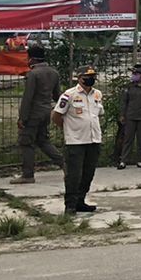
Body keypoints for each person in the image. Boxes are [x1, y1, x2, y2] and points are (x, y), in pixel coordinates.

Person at [52, 66, 104, 214]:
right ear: (79, 78)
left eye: (93, 76)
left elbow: (98, 114)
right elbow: (56, 115)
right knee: (74, 175)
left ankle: (81, 201)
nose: (91, 79)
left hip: (94, 139)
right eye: (87, 76)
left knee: (89, 173)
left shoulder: (97, 94)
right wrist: (68, 129)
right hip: (75, 141)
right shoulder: (69, 95)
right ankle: (70, 204)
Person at [14, 43, 64, 183]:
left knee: (26, 142)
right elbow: (57, 95)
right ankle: (64, 164)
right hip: (46, 111)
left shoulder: (33, 74)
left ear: (32, 59)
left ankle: (28, 175)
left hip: (33, 114)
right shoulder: (54, 72)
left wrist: (22, 118)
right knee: (43, 141)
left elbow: (28, 97)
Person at [113, 64, 141, 169]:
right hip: (130, 116)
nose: (134, 75)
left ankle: (140, 160)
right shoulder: (129, 87)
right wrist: (122, 114)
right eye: (133, 73)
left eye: (136, 74)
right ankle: (123, 160)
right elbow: (124, 102)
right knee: (128, 138)